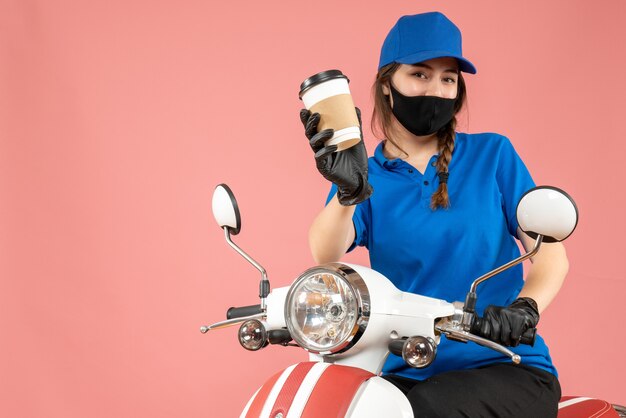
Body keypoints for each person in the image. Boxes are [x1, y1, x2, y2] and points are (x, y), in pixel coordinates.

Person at [299, 11, 568, 418]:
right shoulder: (368, 177)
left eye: (448, 78)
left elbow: (551, 253)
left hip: (504, 364)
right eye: (420, 75)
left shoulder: (493, 155)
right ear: (387, 85)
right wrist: (347, 192)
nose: (436, 89)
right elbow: (325, 252)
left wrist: (524, 309)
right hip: (407, 368)